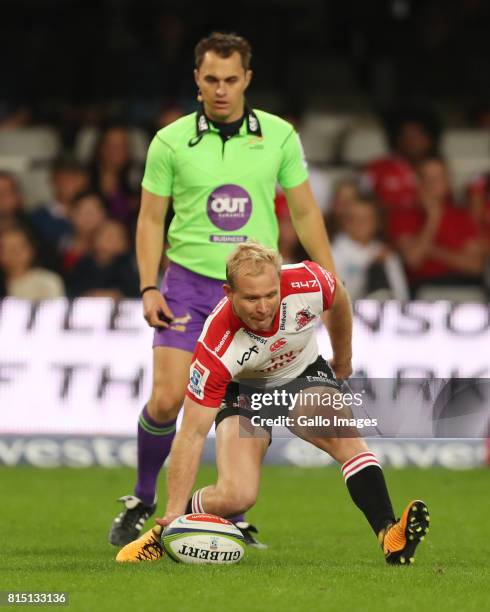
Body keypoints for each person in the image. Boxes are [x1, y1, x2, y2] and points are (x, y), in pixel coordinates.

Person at [108, 32, 337, 548]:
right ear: (196, 80)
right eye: (211, 79)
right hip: (188, 284)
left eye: (231, 79)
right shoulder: (168, 141)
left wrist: (327, 272)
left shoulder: (278, 136)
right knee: (168, 401)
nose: (221, 89)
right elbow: (149, 219)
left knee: (240, 403)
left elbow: (304, 210)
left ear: (247, 80)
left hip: (253, 290)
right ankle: (144, 498)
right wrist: (148, 285)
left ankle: (226, 507)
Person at [116, 241, 429, 565]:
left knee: (347, 439)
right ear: (228, 293)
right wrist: (171, 512)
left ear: (280, 282)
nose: (263, 307)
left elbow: (339, 300)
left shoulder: (309, 281)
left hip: (302, 375)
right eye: (251, 298)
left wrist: (343, 359)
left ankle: (390, 535)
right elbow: (192, 434)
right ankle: (164, 533)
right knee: (238, 495)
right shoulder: (216, 347)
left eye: (270, 294)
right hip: (244, 393)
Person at [390, 157, 484, 297]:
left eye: (439, 177)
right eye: (427, 178)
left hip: (466, 287)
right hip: (423, 289)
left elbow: (475, 265)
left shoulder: (463, 216)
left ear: (447, 181)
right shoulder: (402, 216)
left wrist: (433, 250)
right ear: (418, 182)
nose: (433, 183)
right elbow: (414, 260)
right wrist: (433, 218)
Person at [332, 197, 409, 301]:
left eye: (367, 218)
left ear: (377, 222)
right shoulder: (332, 253)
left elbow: (401, 294)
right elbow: (336, 297)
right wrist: (371, 265)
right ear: (345, 222)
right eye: (355, 218)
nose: (361, 224)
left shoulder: (385, 252)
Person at [0, 225, 65, 299]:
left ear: (30, 250)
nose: (7, 254)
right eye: (3, 249)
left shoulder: (47, 282)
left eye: (14, 249)